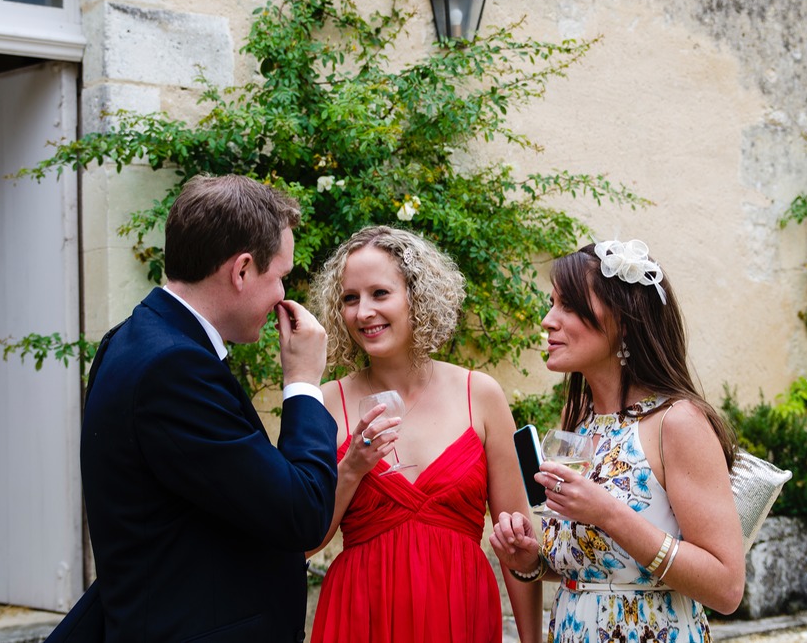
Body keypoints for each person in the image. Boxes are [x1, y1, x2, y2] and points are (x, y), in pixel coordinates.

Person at [66, 174, 338, 642]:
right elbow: (301, 513)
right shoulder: (173, 368)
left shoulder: (132, 339)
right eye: (280, 276)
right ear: (242, 270)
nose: (282, 294)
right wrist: (302, 383)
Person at [489, 239, 745, 642]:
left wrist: (609, 514)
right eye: (552, 303)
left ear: (623, 321)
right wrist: (531, 561)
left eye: (567, 305)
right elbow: (601, 566)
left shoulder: (678, 423)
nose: (548, 320)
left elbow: (726, 588)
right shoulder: (578, 421)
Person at [306, 226, 543, 643]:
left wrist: (532, 641)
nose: (363, 312)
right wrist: (351, 470)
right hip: (361, 616)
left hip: (460, 614)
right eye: (350, 298)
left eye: (380, 293)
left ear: (418, 296)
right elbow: (304, 543)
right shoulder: (326, 402)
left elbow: (517, 546)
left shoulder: (480, 395)